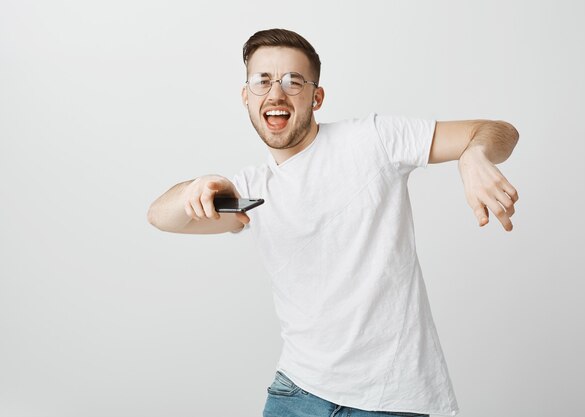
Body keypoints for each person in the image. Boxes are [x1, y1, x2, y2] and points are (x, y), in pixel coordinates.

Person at [147, 28, 519, 417]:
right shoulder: (252, 190)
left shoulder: (373, 140)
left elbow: (500, 132)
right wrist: (194, 188)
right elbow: (159, 215)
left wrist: (473, 154)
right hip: (295, 394)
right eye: (262, 81)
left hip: (390, 401)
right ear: (246, 97)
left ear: (316, 97)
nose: (276, 93)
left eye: (293, 81)